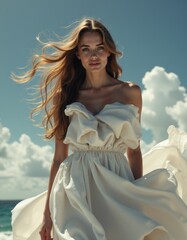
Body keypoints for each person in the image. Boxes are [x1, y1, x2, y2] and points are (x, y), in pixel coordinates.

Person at [11, 18, 187, 240]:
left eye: (100, 48)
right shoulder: (65, 97)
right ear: (77, 54)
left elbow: (134, 151)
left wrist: (136, 198)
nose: (93, 56)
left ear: (109, 52)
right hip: (76, 186)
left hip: (117, 181)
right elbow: (58, 159)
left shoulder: (129, 93)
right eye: (86, 49)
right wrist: (47, 214)